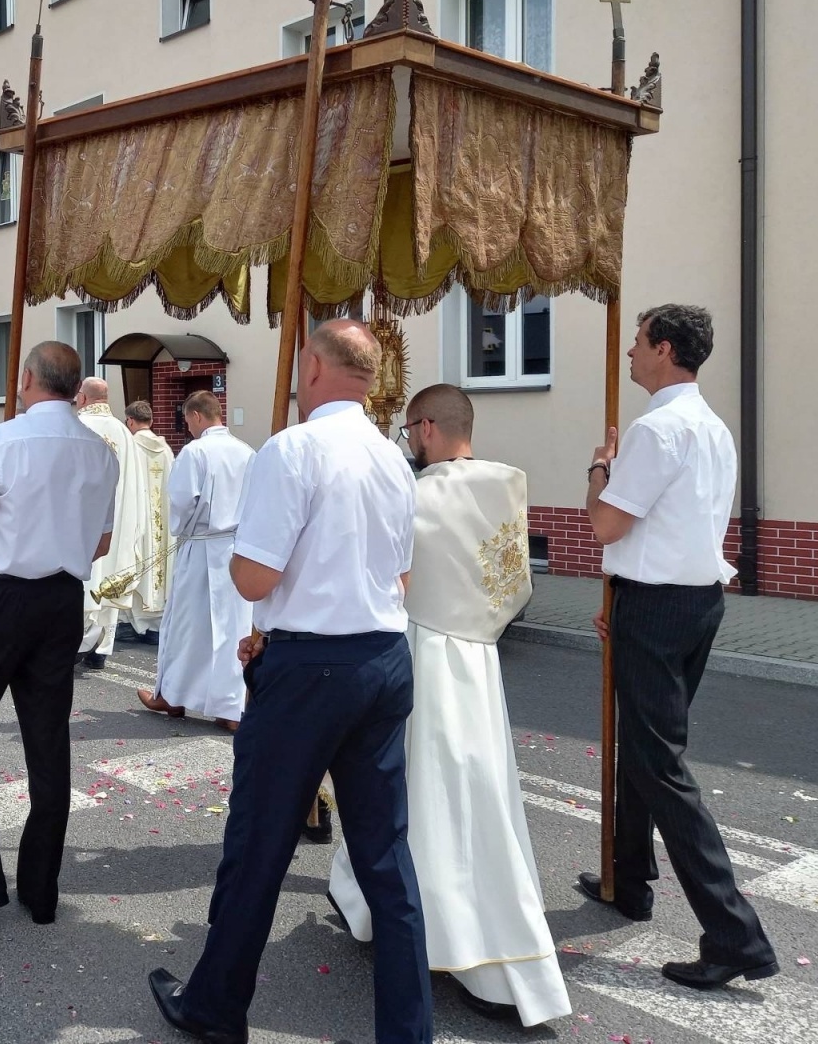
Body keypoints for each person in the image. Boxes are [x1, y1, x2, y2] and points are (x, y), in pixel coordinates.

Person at [148, 321, 429, 1044]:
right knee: (386, 857)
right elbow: (401, 574)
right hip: (383, 656)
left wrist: (261, 575)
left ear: (312, 367)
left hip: (311, 667)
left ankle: (214, 1007)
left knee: (259, 844)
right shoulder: (394, 457)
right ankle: (408, 1029)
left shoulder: (293, 448)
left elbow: (255, 574)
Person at [326, 384, 569, 1026]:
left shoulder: (415, 493)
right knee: (478, 791)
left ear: (427, 427)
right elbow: (514, 585)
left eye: (410, 433)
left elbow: (383, 574)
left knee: (420, 793)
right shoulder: (508, 488)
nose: (409, 444)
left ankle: (425, 929)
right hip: (479, 661)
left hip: (422, 653)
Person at [583, 305, 778, 989]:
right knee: (644, 749)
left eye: (637, 343)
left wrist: (598, 468)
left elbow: (606, 525)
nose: (630, 354)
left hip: (659, 604)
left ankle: (735, 935)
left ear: (663, 348)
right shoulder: (712, 425)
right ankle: (629, 875)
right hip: (693, 599)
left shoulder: (656, 429)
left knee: (659, 764)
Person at [0, 342, 118, 925]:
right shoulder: (100, 450)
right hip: (61, 599)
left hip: (3, 596)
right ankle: (40, 887)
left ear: (27, 378)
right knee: (46, 739)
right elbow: (101, 543)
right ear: (75, 387)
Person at [136, 391, 253, 731]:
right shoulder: (247, 452)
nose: (187, 427)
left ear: (198, 417)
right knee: (232, 628)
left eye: (187, 420)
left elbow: (183, 501)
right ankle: (230, 708)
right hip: (234, 550)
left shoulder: (195, 451)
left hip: (201, 548)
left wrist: (181, 532)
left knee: (186, 626)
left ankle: (173, 696)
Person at [74, 376, 142, 671]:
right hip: (118, 521)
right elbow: (134, 483)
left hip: (85, 523)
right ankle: (101, 649)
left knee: (86, 581)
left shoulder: (78, 425)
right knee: (110, 576)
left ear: (84, 397)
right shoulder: (123, 431)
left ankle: (78, 645)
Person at [122, 400, 173, 642]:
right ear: (151, 421)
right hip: (163, 520)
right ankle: (156, 623)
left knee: (135, 558)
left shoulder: (130, 447)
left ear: (130, 421)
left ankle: (134, 622)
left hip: (138, 518)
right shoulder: (166, 450)